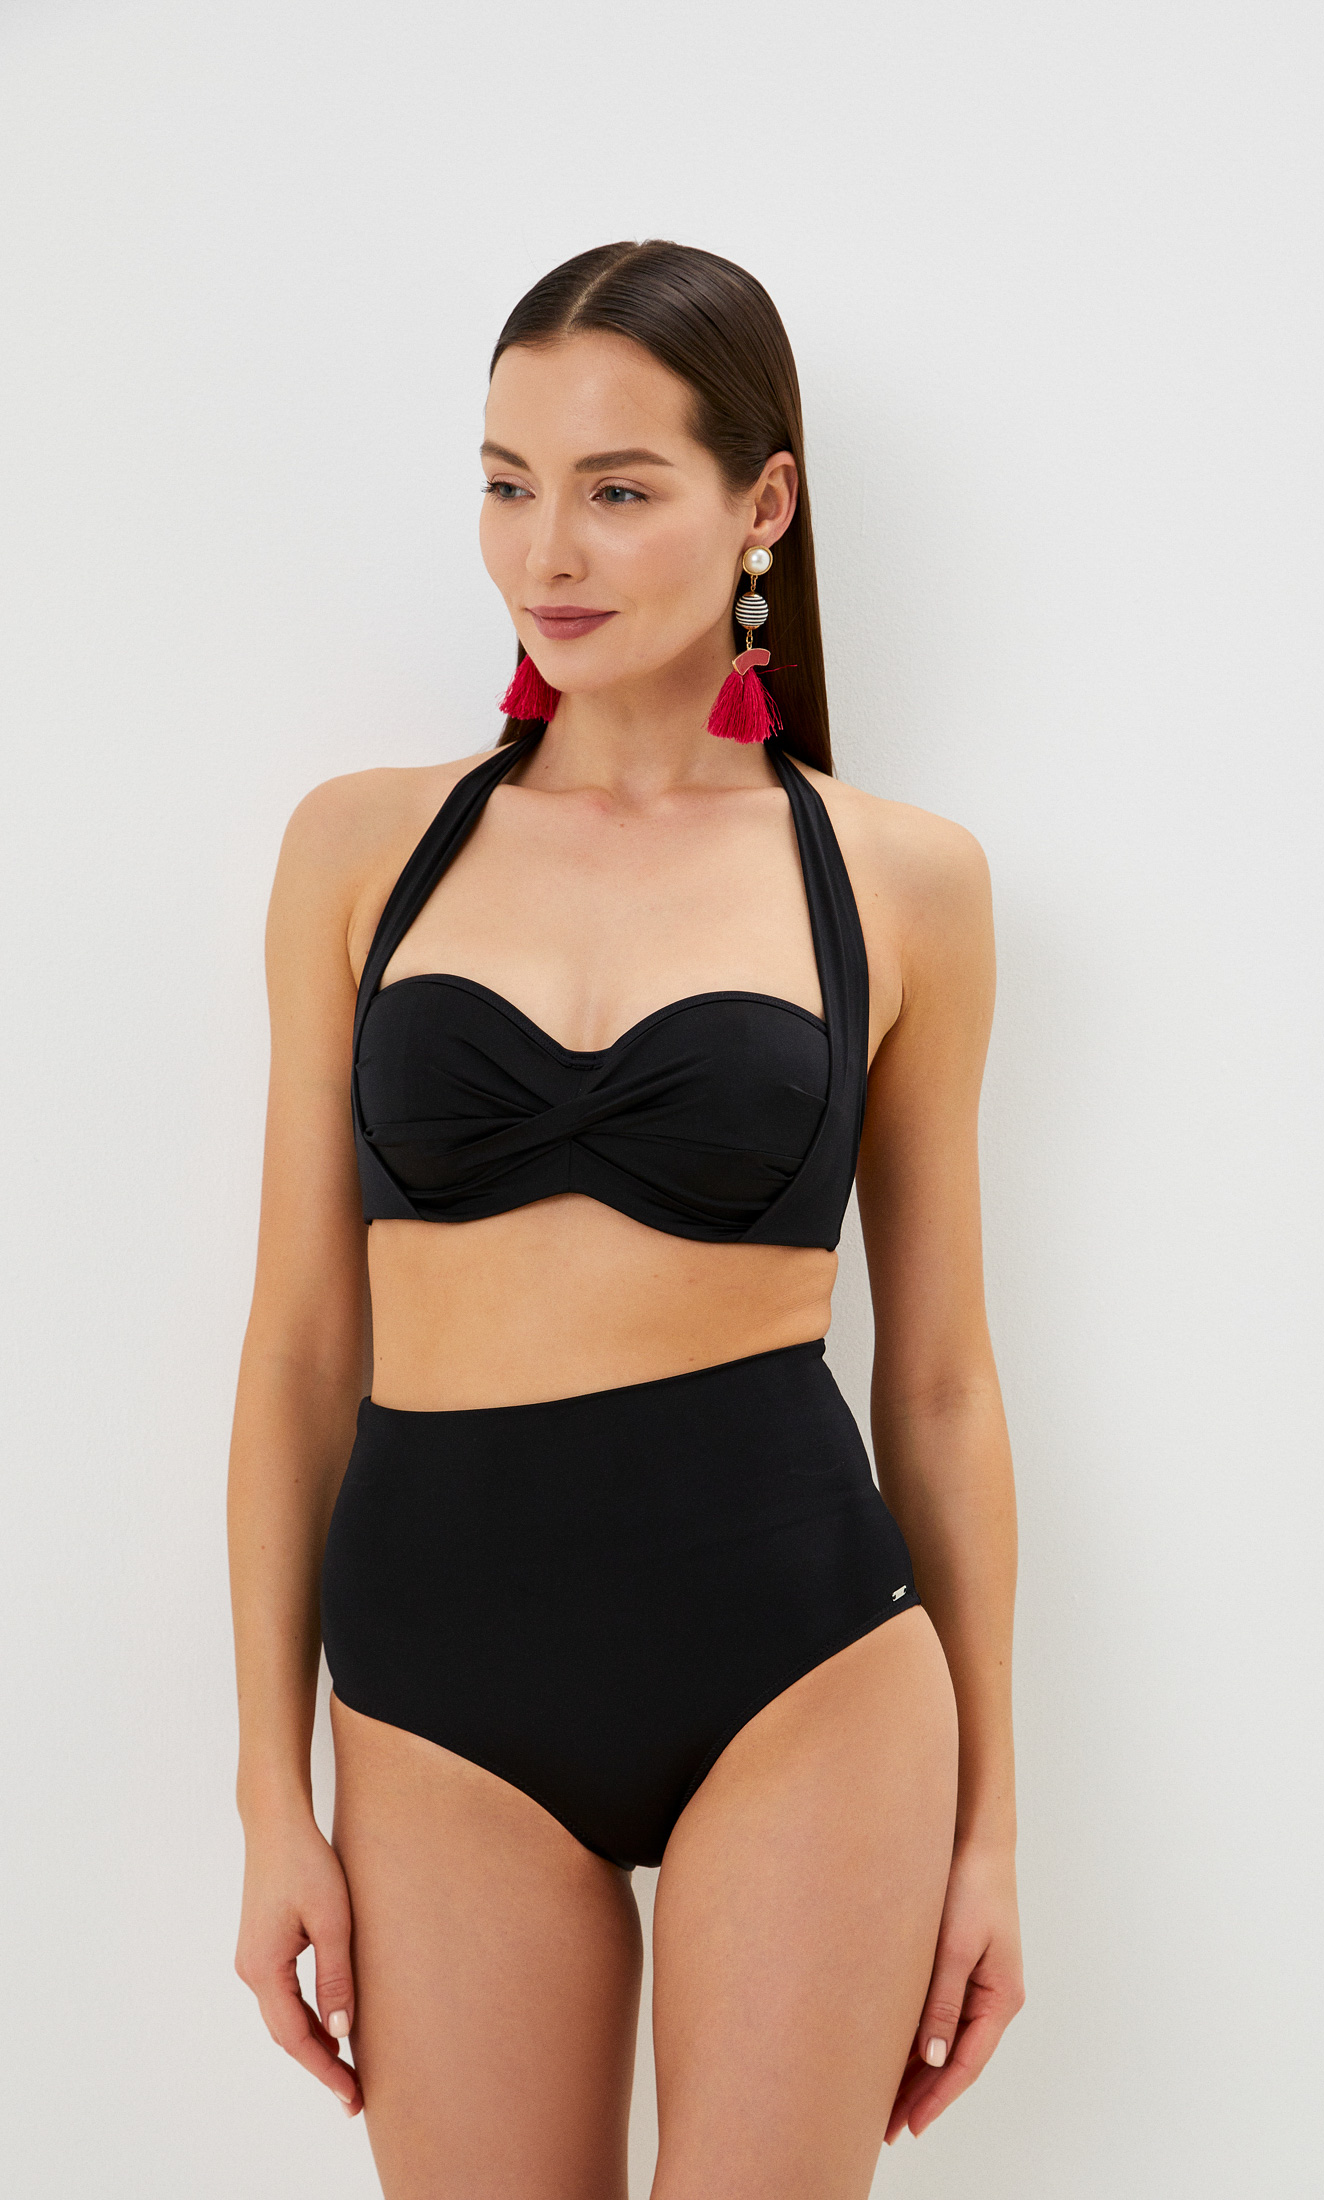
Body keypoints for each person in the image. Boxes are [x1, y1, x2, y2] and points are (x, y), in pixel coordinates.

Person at [228, 238, 1024, 2199]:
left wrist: (994, 1827)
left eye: (616, 486)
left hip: (804, 1668)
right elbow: (302, 1349)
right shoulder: (361, 850)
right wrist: (267, 1791)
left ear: (763, 500)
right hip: (438, 1688)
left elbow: (937, 1380)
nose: (545, 550)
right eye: (507, 481)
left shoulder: (903, 882)